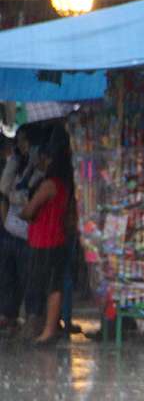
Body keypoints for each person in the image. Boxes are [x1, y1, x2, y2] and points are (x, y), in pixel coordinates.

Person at [20, 124, 73, 346]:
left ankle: (47, 330)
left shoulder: (49, 185)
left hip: (43, 241)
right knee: (54, 284)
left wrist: (24, 207)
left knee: (46, 286)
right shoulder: (66, 185)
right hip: (58, 239)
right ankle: (50, 328)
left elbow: (29, 211)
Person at [0, 125, 43, 333]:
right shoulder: (16, 165)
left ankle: (32, 318)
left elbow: (26, 197)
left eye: (25, 141)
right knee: (8, 278)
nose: (21, 145)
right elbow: (4, 190)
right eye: (19, 141)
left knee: (28, 279)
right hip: (10, 232)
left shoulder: (39, 169)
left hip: (28, 235)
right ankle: (9, 316)